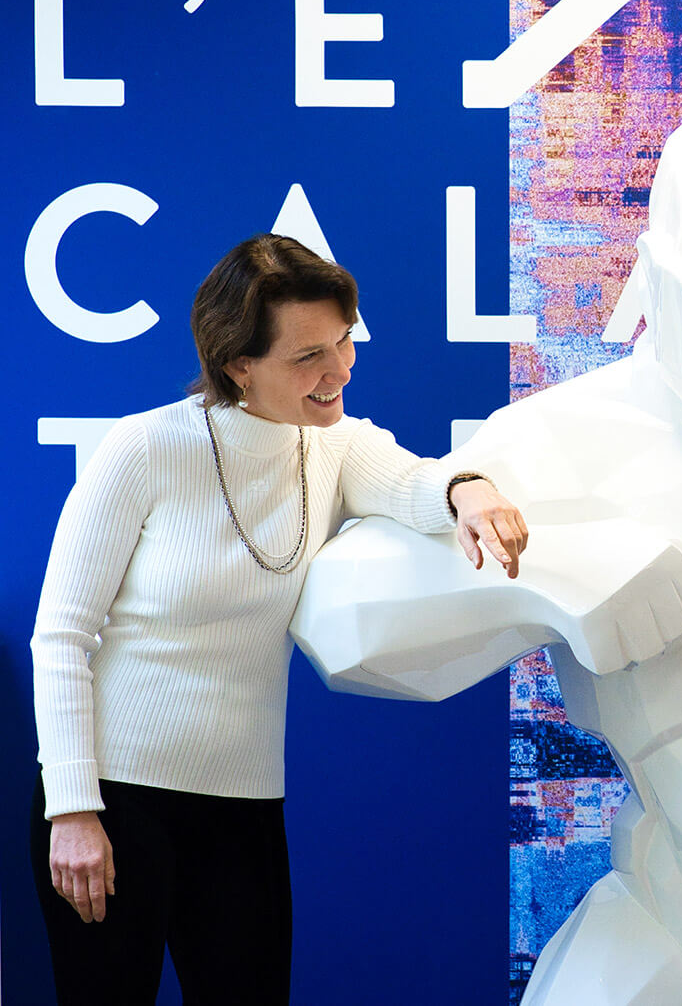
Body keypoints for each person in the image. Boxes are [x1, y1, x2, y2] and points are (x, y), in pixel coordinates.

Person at [29, 234, 529, 1004]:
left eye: (344, 340)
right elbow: (61, 635)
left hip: (244, 808)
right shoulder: (143, 447)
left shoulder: (332, 444)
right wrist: (71, 808)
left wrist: (473, 491)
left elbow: (415, 484)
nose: (339, 371)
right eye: (308, 357)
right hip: (110, 799)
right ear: (239, 366)